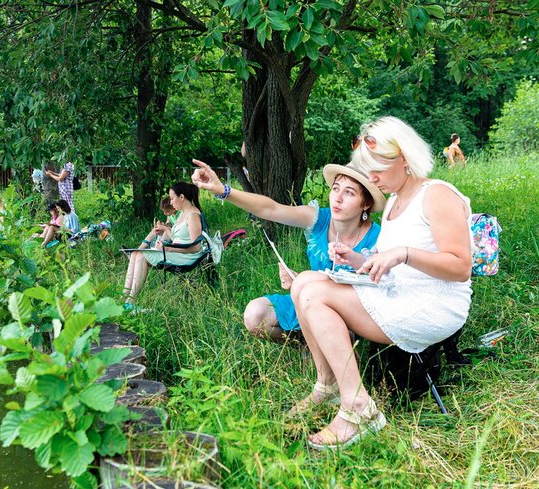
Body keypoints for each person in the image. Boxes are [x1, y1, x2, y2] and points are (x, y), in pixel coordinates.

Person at [287, 116, 472, 450]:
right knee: (304, 283)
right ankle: (327, 385)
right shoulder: (393, 204)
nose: (371, 178)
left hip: (433, 305)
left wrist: (402, 253)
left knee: (314, 293)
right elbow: (395, 266)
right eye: (367, 170)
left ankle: (357, 409)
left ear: (404, 159)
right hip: (399, 293)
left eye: (377, 170)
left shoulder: (438, 195)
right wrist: (358, 260)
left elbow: (460, 267)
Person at [190, 159, 385, 341]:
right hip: (310, 301)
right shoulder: (319, 219)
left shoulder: (379, 239)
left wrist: (304, 281)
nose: (338, 198)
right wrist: (223, 190)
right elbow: (271, 209)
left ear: (366, 203)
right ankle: (305, 342)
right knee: (255, 314)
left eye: (349, 193)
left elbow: (381, 289)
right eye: (335, 189)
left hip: (351, 313)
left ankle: (336, 350)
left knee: (338, 326)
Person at [122, 183, 205, 308]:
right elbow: (178, 238)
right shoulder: (183, 213)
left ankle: (130, 302)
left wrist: (168, 248)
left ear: (181, 197)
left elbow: (196, 247)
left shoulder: (193, 215)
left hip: (187, 256)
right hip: (175, 252)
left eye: (172, 198)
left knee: (141, 256)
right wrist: (166, 231)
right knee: (135, 253)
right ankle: (124, 298)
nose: (171, 202)